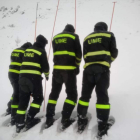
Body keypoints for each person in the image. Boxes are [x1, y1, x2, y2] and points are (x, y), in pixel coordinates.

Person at [77, 22, 118, 137]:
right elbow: (114, 52)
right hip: (102, 70)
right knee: (102, 96)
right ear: (105, 28)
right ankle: (102, 125)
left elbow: (84, 55)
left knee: (84, 96)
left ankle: (81, 119)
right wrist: (108, 60)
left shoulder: (87, 38)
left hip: (88, 70)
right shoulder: (109, 35)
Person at [45, 24, 82, 129]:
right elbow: (79, 54)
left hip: (57, 70)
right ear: (72, 30)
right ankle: (65, 119)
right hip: (69, 70)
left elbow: (56, 54)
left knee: (54, 94)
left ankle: (49, 118)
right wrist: (77, 65)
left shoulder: (55, 37)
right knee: (72, 95)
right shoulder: (74, 36)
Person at [16, 35, 49, 133]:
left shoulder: (27, 50)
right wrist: (47, 75)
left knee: (23, 99)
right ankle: (30, 118)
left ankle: (19, 123)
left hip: (22, 78)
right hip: (33, 78)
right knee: (38, 98)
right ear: (43, 43)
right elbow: (45, 66)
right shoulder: (41, 51)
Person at [8, 42, 32, 123]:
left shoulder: (15, 50)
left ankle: (10, 107)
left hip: (11, 73)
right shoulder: (25, 52)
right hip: (18, 74)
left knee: (15, 91)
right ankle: (14, 115)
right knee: (17, 94)